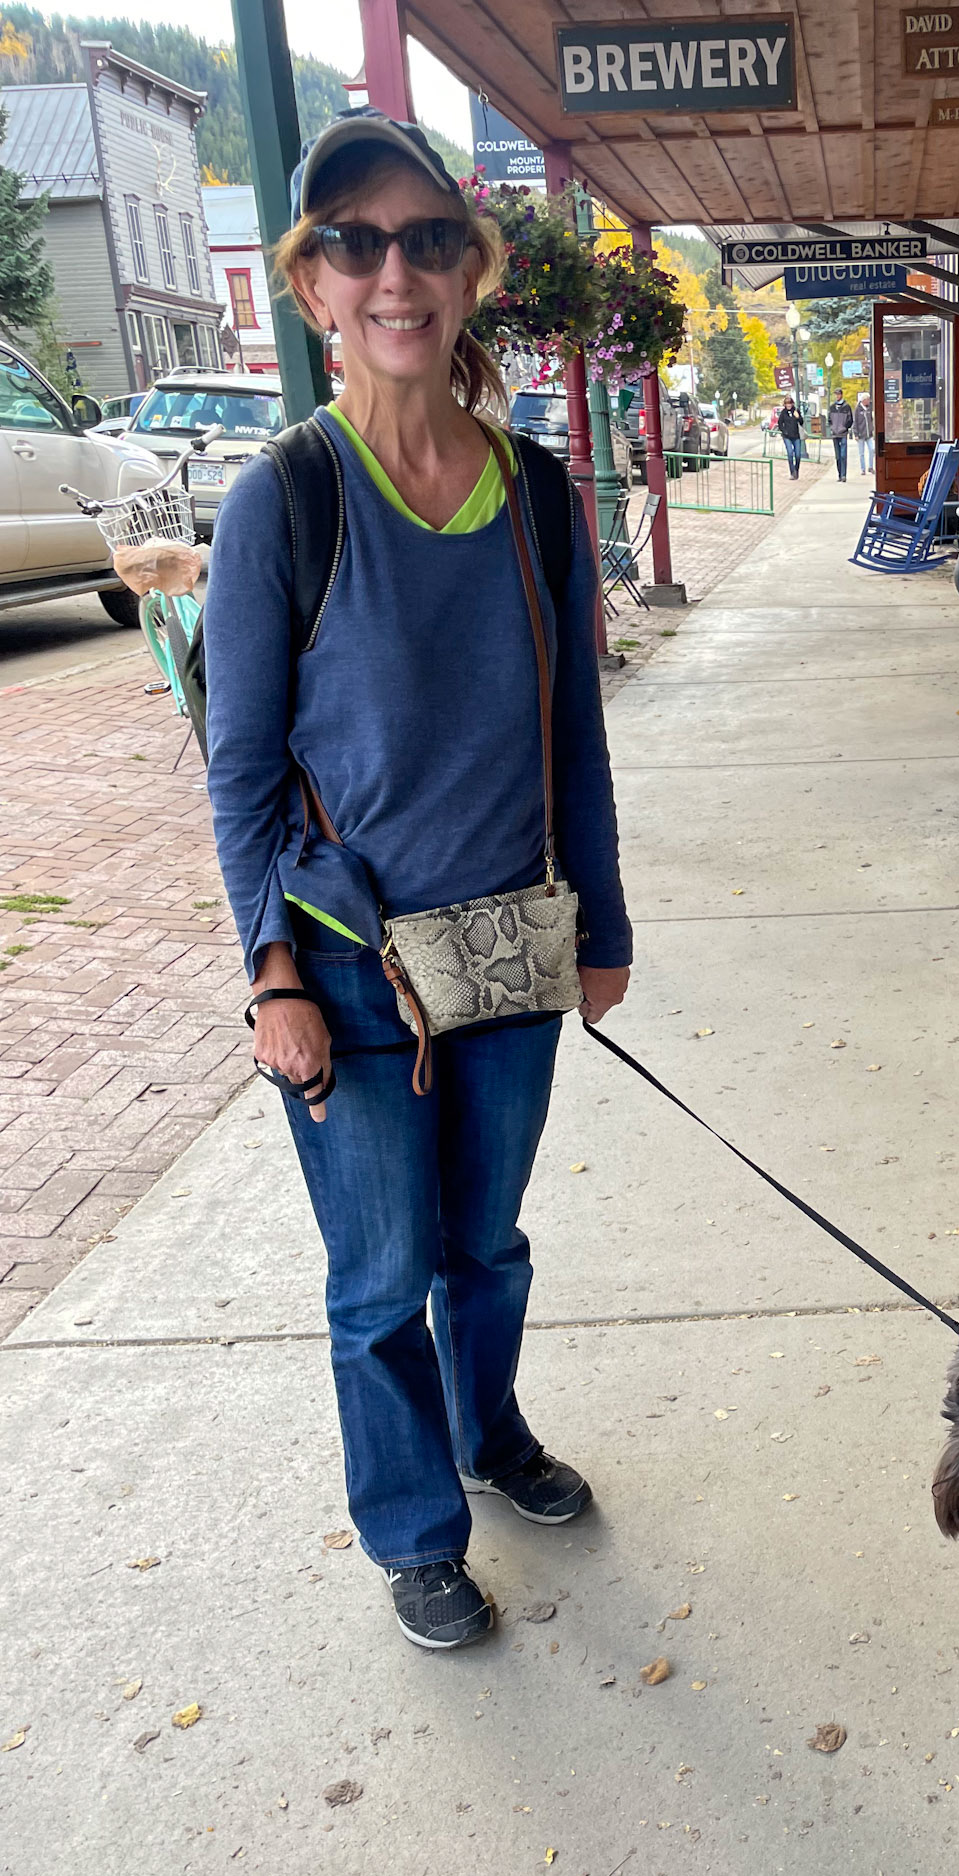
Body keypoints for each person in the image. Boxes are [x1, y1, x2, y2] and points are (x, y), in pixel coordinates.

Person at [202, 110, 631, 1653]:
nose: (398, 272)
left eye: (429, 240)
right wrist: (268, 978)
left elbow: (570, 726)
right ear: (314, 284)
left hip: (512, 949)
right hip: (346, 970)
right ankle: (416, 1533)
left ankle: (488, 1431)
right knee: (380, 1277)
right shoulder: (284, 504)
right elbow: (242, 772)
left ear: (470, 273)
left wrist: (606, 919)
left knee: (488, 1247)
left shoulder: (536, 493)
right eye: (358, 244)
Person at [826, 387, 854, 481]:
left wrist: (845, 427)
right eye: (836, 394)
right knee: (837, 456)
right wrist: (832, 427)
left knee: (843, 455)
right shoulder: (832, 407)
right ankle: (839, 474)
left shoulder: (846, 407)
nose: (837, 396)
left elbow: (850, 420)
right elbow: (829, 419)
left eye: (838, 394)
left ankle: (843, 475)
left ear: (841, 395)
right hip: (835, 433)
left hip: (843, 433)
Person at [776, 394, 804, 478]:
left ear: (792, 404)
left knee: (798, 455)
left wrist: (798, 417)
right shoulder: (783, 413)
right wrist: (784, 431)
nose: (788, 405)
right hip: (787, 436)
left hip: (796, 436)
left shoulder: (796, 411)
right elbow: (780, 424)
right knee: (790, 453)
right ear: (785, 404)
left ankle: (796, 470)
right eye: (787, 403)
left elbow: (801, 422)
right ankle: (792, 472)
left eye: (790, 403)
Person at [853, 390, 874, 477]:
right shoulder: (858, 410)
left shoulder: (869, 408)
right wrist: (856, 434)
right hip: (861, 434)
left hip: (869, 434)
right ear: (863, 400)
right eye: (868, 399)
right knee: (861, 453)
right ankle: (863, 468)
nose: (869, 401)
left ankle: (870, 466)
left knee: (872, 449)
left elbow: (871, 420)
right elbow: (855, 422)